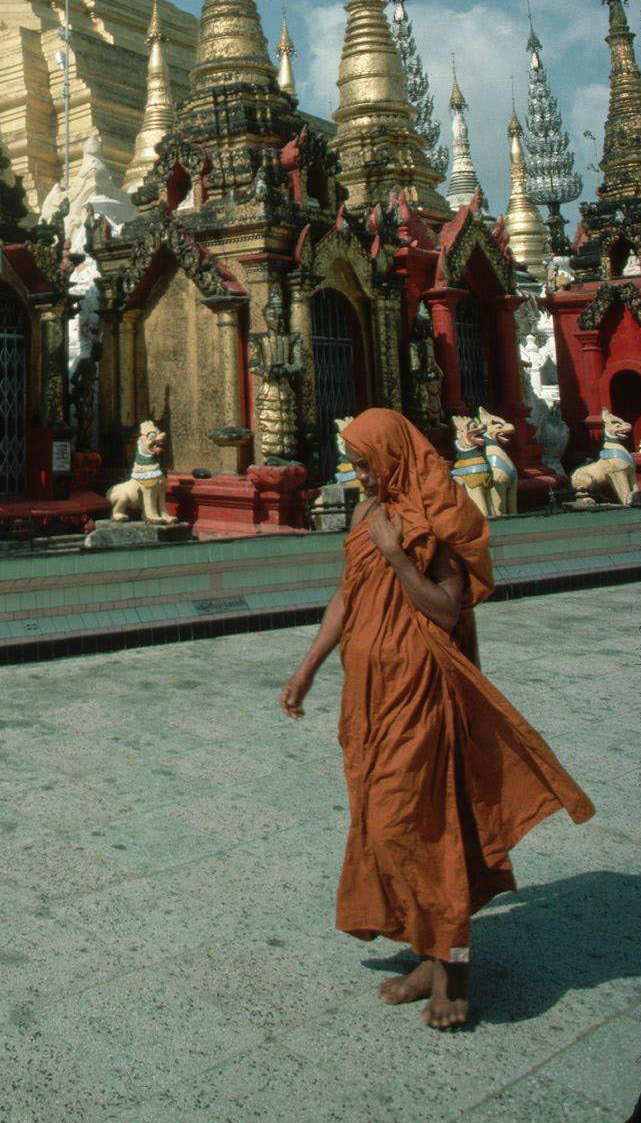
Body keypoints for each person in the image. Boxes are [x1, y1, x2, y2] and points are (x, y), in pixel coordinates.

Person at [280, 407, 593, 1030]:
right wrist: (308, 666)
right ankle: (429, 955)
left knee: (418, 823)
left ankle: (456, 972)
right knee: (382, 815)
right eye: (356, 463)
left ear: (395, 455)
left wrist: (398, 556)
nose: (360, 474)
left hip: (421, 689)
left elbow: (447, 610)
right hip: (369, 691)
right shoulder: (368, 509)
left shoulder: (434, 514)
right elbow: (347, 592)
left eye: (367, 462)